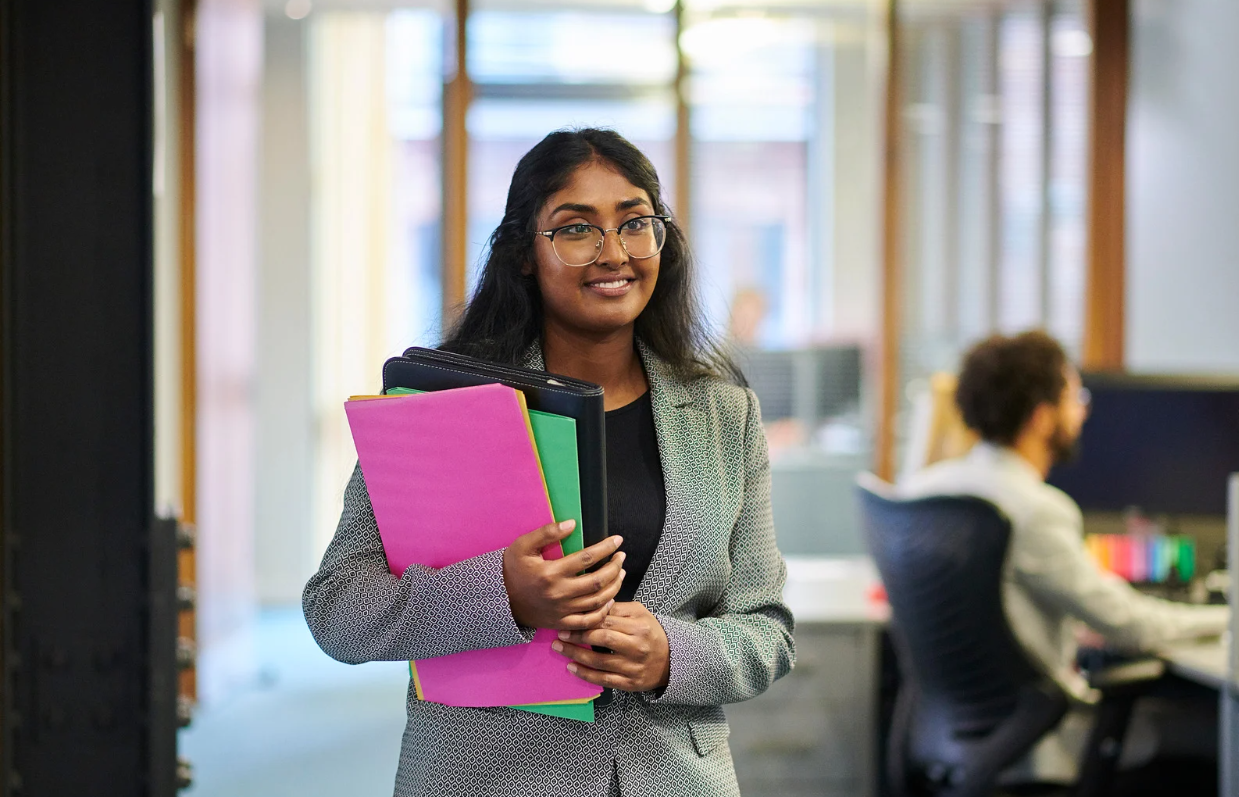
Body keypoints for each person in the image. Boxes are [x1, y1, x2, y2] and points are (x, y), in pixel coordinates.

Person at [303, 128, 795, 797]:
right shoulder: (441, 410)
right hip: (486, 776)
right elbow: (337, 609)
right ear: (523, 254)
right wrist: (502, 595)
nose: (613, 252)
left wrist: (671, 654)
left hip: (673, 777)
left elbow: (767, 630)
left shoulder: (723, 414)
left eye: (635, 222)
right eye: (576, 229)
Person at [898, 330, 1230, 782]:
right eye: (1075, 398)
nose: (1084, 412)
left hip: (949, 739)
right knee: (1196, 755)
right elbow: (1134, 625)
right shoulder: (1037, 510)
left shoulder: (924, 489)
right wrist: (1226, 618)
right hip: (1037, 745)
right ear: (1041, 417)